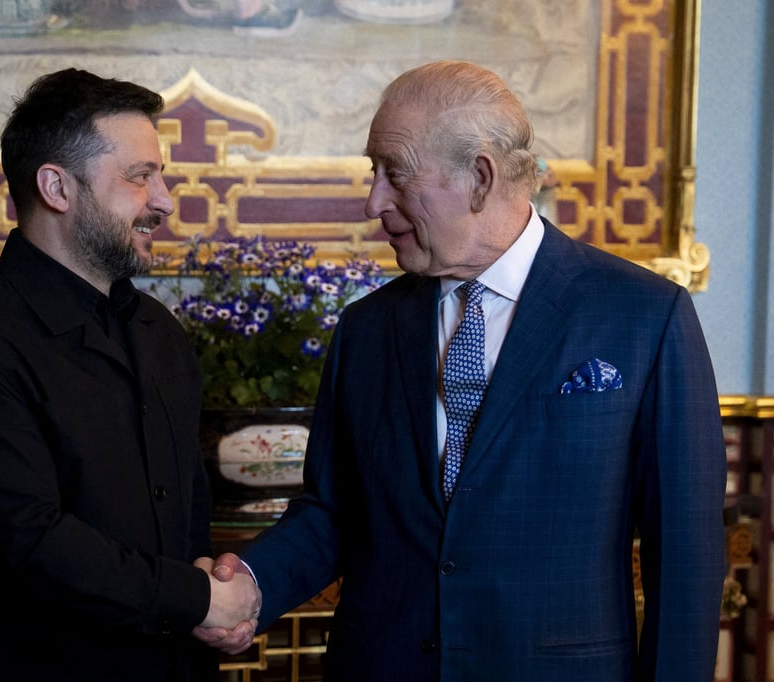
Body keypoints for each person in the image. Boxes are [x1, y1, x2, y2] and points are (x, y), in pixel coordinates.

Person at [195, 60, 727, 680]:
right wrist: (251, 584)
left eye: (395, 173)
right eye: (374, 173)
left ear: (480, 178)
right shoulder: (367, 329)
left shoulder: (643, 315)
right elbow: (334, 513)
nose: (374, 202)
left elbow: (684, 555)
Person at [0, 68, 260, 681]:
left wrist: (213, 591)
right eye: (139, 176)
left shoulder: (160, 332)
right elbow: (27, 542)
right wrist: (195, 598)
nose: (163, 201)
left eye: (160, 176)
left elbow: (188, 516)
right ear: (57, 187)